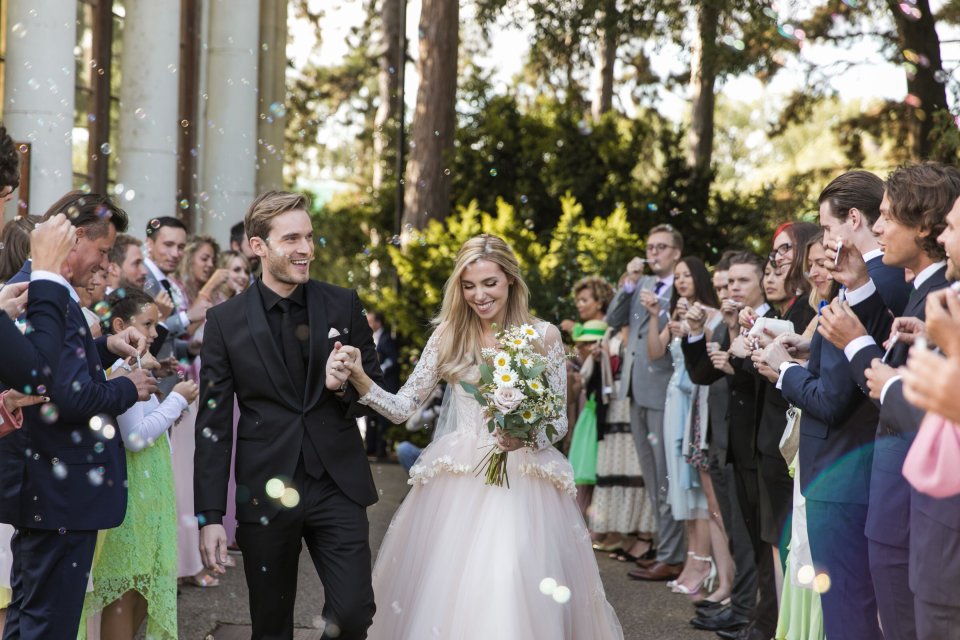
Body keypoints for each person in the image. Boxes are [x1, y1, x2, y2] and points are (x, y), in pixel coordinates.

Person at [334, 233, 623, 639]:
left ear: (510, 280)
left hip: (525, 484)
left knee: (512, 581)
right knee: (451, 590)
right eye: (468, 286)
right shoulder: (449, 334)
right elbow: (402, 408)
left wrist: (524, 437)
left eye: (489, 283)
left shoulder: (544, 337)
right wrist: (362, 380)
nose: (479, 295)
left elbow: (557, 423)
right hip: (457, 481)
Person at [195, 191, 383, 639]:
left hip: (337, 483)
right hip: (265, 488)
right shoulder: (224, 321)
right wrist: (209, 516)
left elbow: (377, 393)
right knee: (271, 625)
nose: (306, 249)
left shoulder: (343, 303)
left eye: (310, 237)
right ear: (258, 246)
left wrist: (346, 385)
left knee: (354, 613)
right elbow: (214, 424)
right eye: (292, 238)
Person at [0, 192, 157, 640]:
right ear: (74, 238)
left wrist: (103, 346)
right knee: (48, 623)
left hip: (50, 488)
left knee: (33, 614)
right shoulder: (36, 291)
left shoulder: (44, 289)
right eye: (104, 252)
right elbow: (60, 394)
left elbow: (51, 363)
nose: (105, 266)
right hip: (57, 487)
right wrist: (129, 387)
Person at [819, 163, 959, 640]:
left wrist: (857, 346)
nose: (876, 228)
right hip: (899, 503)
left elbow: (920, 403)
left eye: (887, 217)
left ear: (924, 226)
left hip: (911, 507)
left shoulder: (942, 296)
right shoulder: (923, 298)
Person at [81, 288, 199, 640]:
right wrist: (177, 400)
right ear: (120, 325)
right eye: (147, 324)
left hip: (149, 487)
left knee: (141, 585)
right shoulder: (122, 369)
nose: (153, 334)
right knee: (126, 587)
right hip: (132, 488)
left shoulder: (133, 366)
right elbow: (134, 436)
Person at [607, 224, 685, 581]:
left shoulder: (682, 291)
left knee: (666, 474)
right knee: (652, 476)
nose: (654, 253)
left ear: (676, 253)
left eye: (662, 247)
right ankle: (664, 546)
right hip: (635, 389)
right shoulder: (642, 285)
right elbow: (613, 319)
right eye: (650, 247)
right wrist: (627, 283)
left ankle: (672, 554)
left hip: (664, 390)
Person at [365, 310, 400, 460]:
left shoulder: (387, 339)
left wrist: (380, 370)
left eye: (370, 320)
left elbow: (393, 360)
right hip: (373, 385)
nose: (367, 323)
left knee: (382, 418)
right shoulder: (369, 338)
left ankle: (381, 450)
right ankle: (370, 448)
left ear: (378, 323)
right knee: (370, 416)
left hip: (386, 384)